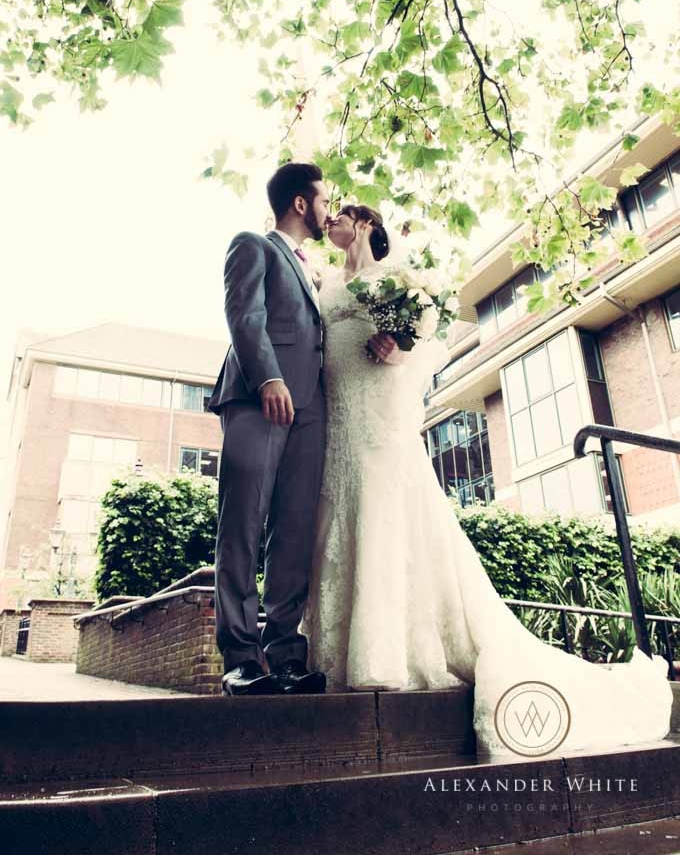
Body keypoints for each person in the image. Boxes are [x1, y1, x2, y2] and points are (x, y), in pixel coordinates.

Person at [300, 203, 673, 757]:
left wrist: (400, 348)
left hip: (379, 412)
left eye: (339, 216)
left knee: (385, 511)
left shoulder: (398, 279)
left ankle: (381, 655)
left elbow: (430, 342)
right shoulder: (328, 282)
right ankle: (337, 653)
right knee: (341, 513)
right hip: (340, 419)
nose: (328, 222)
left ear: (365, 225)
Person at [207, 162, 331, 696]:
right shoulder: (252, 245)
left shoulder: (312, 269)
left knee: (295, 531)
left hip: (309, 413)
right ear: (301, 203)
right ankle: (240, 658)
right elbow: (245, 316)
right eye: (325, 199)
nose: (329, 209)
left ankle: (284, 654)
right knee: (242, 524)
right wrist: (268, 379)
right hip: (260, 399)